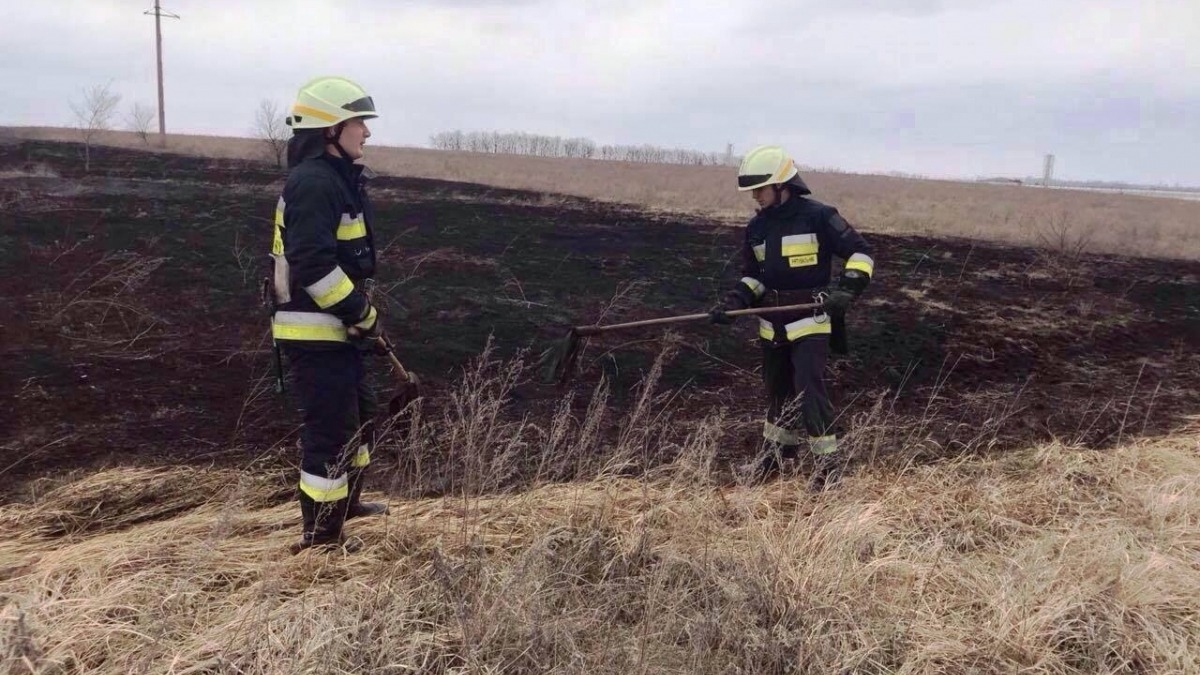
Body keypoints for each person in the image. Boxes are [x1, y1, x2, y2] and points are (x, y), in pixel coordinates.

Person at [267, 76, 391, 553]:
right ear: (329, 130)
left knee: (360, 417)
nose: (366, 132)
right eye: (359, 122)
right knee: (331, 433)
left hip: (338, 330)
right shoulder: (316, 184)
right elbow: (314, 265)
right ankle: (320, 539)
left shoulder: (334, 180)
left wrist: (359, 319)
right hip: (316, 332)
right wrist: (361, 311)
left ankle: (348, 505)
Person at [711, 145, 875, 489]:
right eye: (753, 191)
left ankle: (827, 471)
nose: (755, 196)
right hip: (772, 326)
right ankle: (774, 462)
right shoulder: (756, 228)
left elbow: (860, 253)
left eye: (760, 189)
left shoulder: (819, 216)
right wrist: (734, 301)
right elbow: (754, 277)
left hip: (811, 322)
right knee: (777, 394)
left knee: (809, 392)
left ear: (782, 185)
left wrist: (847, 289)